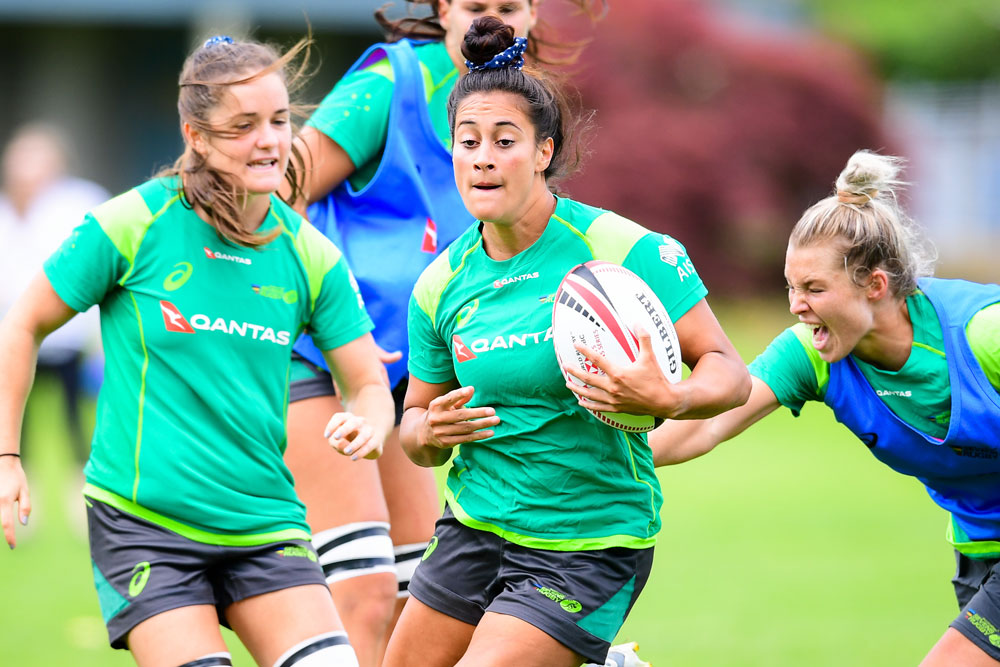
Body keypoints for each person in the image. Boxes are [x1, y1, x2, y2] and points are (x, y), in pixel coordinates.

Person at [0, 34, 395, 667]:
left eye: (279, 121)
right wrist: (8, 457)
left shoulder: (310, 253)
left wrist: (370, 422)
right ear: (196, 136)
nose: (269, 140)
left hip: (267, 527)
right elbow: (22, 323)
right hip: (145, 527)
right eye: (243, 126)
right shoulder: (131, 224)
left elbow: (369, 383)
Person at [380, 17, 750, 667]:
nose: (484, 157)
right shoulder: (439, 284)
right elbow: (413, 428)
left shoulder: (623, 250)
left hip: (589, 541)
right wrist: (429, 433)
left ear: (545, 150)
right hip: (471, 530)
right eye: (468, 141)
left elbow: (729, 372)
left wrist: (672, 393)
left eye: (504, 139)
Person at [281, 2, 605, 665]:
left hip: (410, 375)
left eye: (508, 7)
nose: (494, 19)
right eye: (476, 6)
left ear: (533, 11)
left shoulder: (519, 106)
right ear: (441, 9)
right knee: (365, 595)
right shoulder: (392, 80)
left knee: (413, 605)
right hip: (317, 354)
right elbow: (279, 193)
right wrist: (337, 326)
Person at [644, 150, 1000, 667]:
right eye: (791, 286)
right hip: (979, 550)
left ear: (875, 286)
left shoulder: (982, 333)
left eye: (814, 288)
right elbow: (705, 429)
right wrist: (584, 457)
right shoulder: (811, 354)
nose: (795, 304)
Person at [0, 123, 109, 465]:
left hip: (69, 334)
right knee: (16, 430)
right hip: (13, 331)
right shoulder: (6, 210)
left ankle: (78, 498)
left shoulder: (80, 203)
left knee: (77, 427)